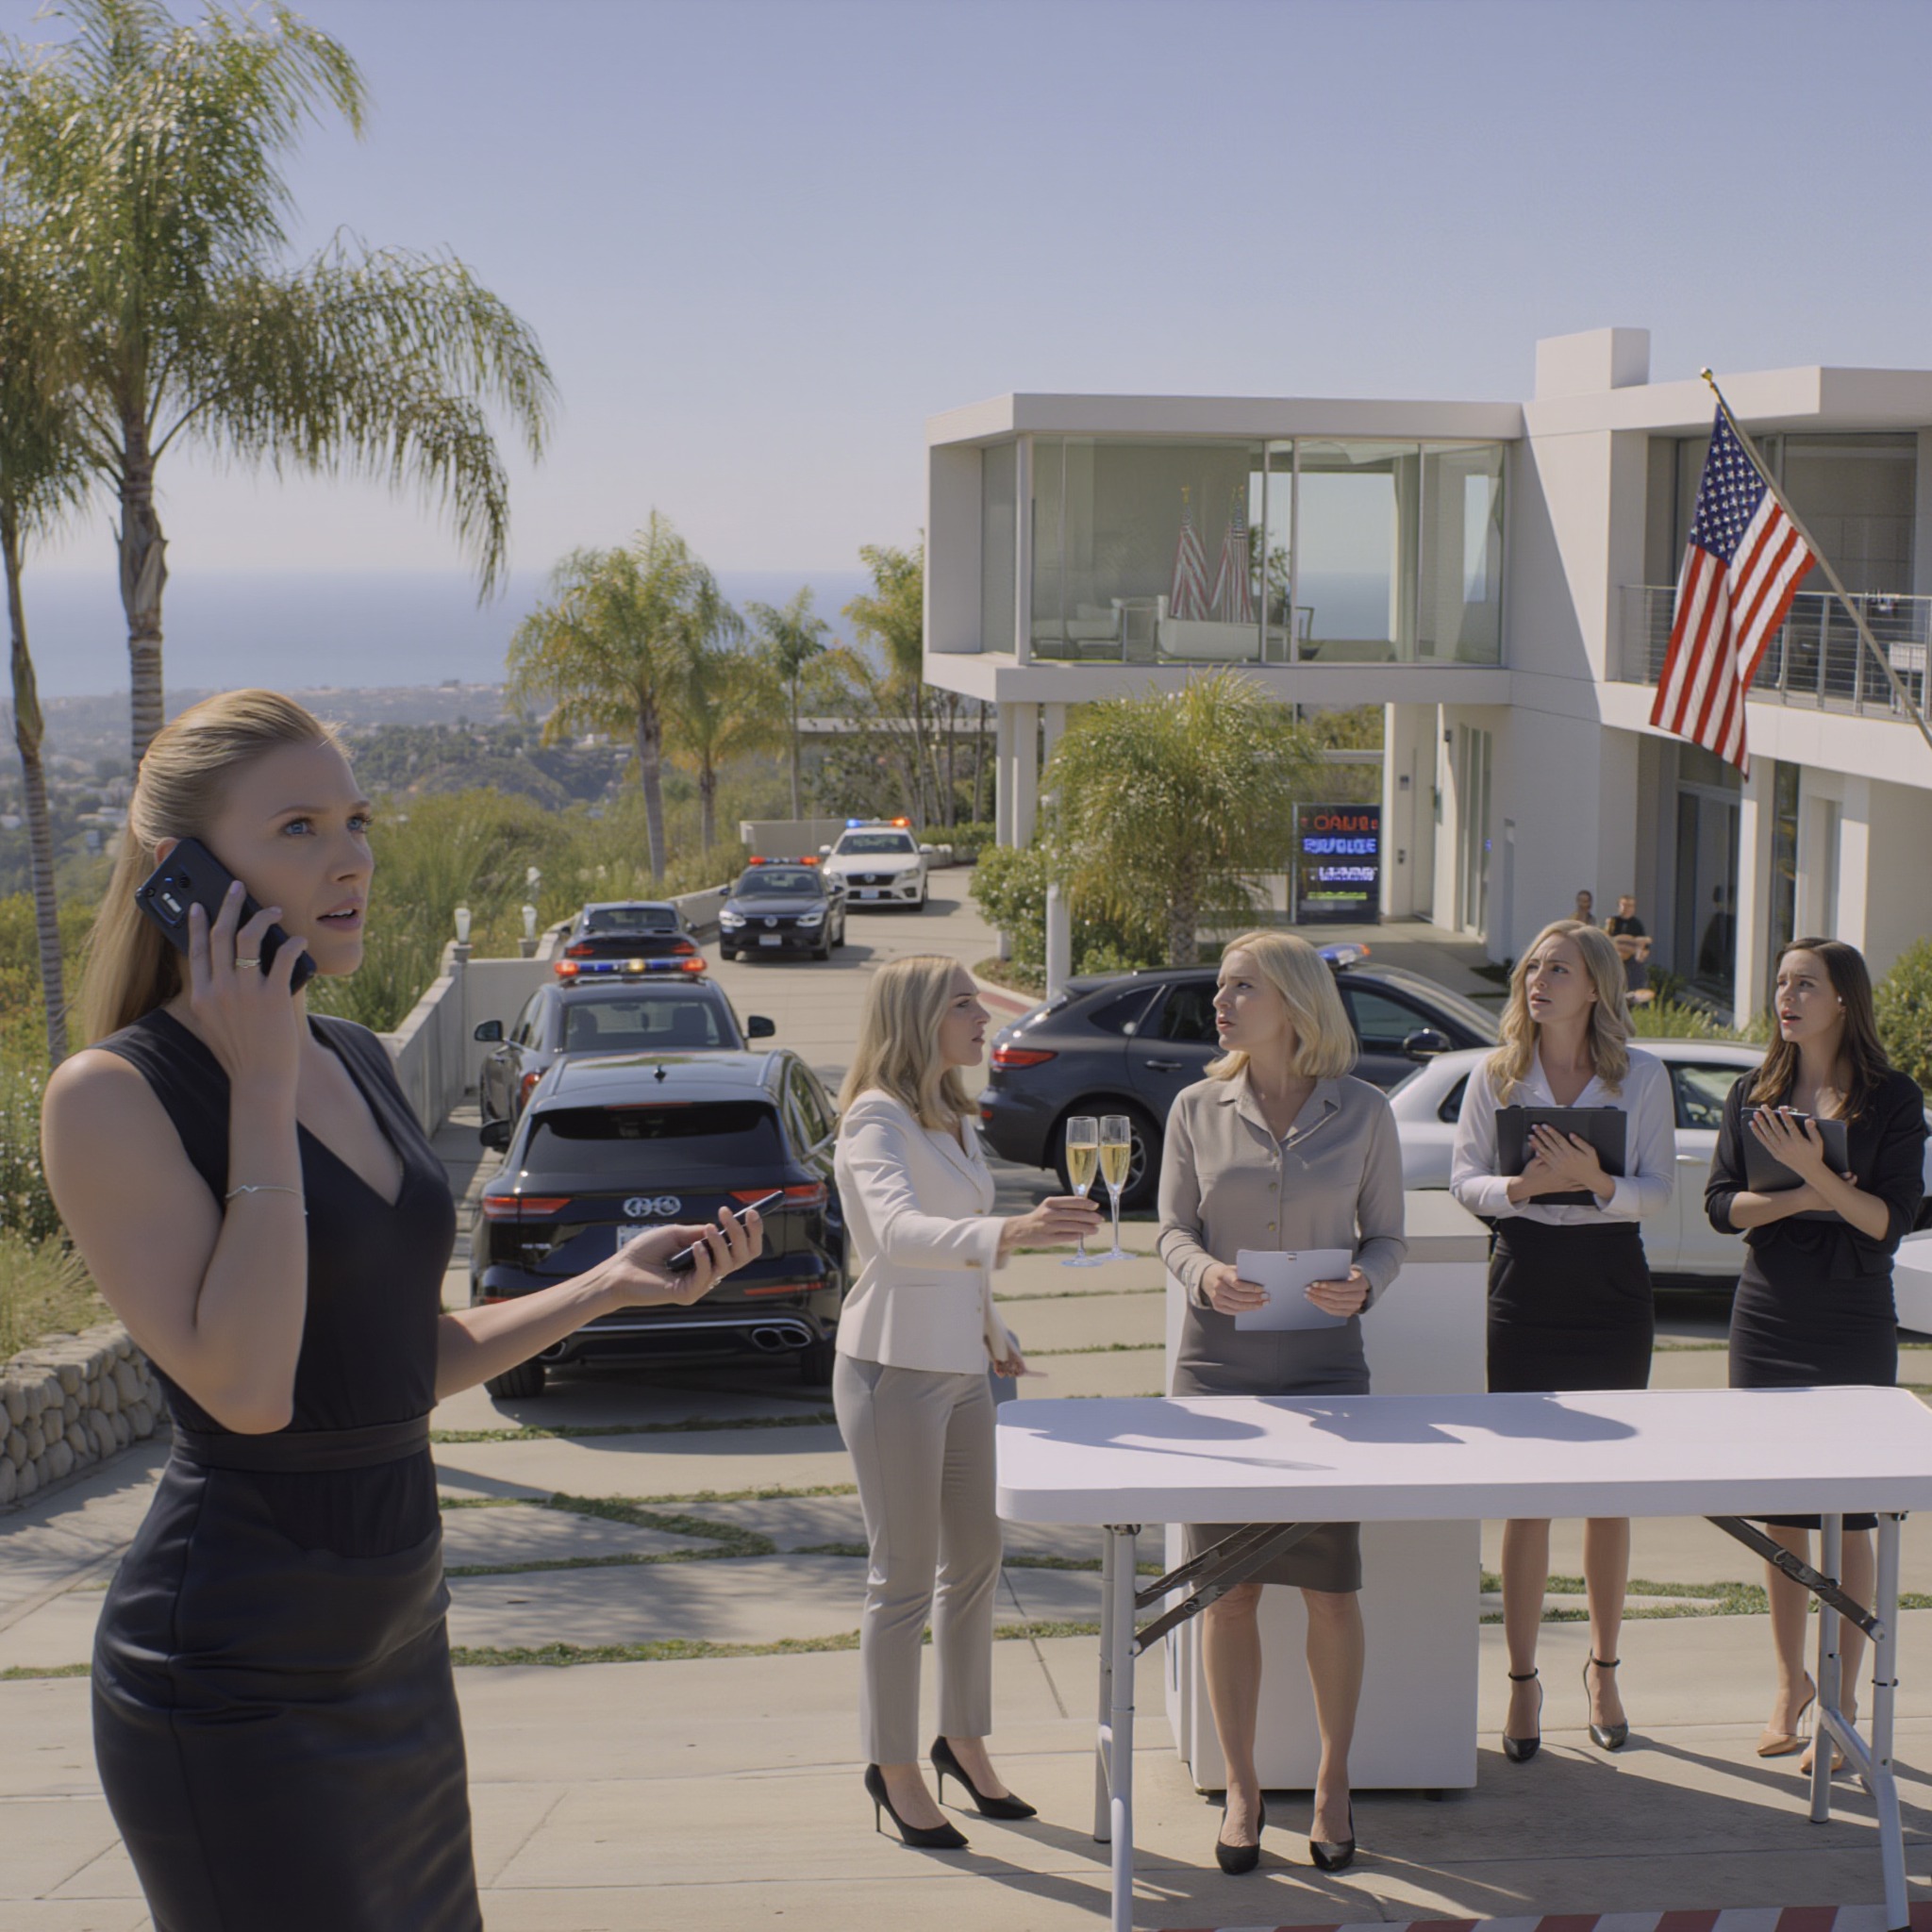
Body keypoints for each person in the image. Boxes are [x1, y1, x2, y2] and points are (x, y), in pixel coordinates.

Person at [39, 692, 764, 1932]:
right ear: (186, 874)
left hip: (396, 1635)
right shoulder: (112, 1098)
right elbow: (251, 1389)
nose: (353, 858)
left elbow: (401, 1362)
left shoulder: (363, 1061)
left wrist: (607, 1283)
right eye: (302, 827)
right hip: (230, 1673)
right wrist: (260, 1083)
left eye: (357, 820)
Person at [831, 955, 1101, 1850]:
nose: (982, 1016)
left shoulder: (947, 1115)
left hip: (961, 1367)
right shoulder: (875, 1118)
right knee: (901, 1575)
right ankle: (892, 1766)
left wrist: (992, 1325)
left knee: (977, 1559)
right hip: (891, 1370)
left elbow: (957, 1257)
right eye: (963, 1005)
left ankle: (962, 1741)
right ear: (917, 1018)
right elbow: (900, 1236)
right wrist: (1012, 1230)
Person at [1158, 930, 1405, 1877]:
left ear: (1293, 1001)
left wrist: (1363, 1282)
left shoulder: (1364, 1110)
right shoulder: (1194, 1105)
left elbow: (1386, 1237)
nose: (1220, 1000)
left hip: (1325, 1383)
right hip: (1214, 1381)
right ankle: (1242, 1788)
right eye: (1220, 985)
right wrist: (1204, 1271)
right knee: (1227, 1600)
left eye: (1240, 986)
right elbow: (1170, 1229)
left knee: (1331, 1592)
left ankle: (1334, 1783)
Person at [1450, 920, 1674, 1763]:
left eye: (1560, 969)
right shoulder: (1496, 1073)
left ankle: (1605, 1671)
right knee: (1527, 1494)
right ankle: (1519, 1684)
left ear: (1597, 987)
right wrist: (1522, 1186)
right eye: (1534, 967)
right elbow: (1464, 1179)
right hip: (1526, 1281)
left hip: (1613, 1285)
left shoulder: (1640, 1075)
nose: (1539, 980)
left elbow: (1656, 1193)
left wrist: (1594, 1183)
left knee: (1609, 1492)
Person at [1706, 939, 1926, 1769]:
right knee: (1784, 1513)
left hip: (1853, 1316)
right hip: (1767, 1316)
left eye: (1805, 984)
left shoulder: (1894, 1101)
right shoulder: (1752, 1092)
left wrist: (1809, 1172)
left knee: (1853, 1514)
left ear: (1843, 1000)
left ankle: (1841, 1706)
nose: (1786, 996)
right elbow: (1724, 1207)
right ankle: (1789, 1684)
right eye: (1780, 983)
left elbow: (1887, 1221)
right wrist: (1801, 1191)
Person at [1604, 894, 1653, 1005]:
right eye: (1624, 905)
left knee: (1634, 983)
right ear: (1619, 906)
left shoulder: (1636, 924)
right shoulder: (1613, 921)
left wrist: (1642, 951)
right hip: (1615, 959)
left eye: (1631, 906)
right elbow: (1607, 938)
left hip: (1631, 960)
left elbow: (1643, 942)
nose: (1627, 908)